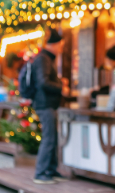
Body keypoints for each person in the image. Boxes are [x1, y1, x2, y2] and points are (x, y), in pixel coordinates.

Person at [32, 28, 69, 184]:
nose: (61, 48)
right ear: (53, 45)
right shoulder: (43, 59)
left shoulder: (46, 58)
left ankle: (51, 170)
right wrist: (61, 87)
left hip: (48, 104)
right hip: (44, 104)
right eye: (60, 45)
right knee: (49, 138)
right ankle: (40, 172)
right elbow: (43, 82)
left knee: (52, 137)